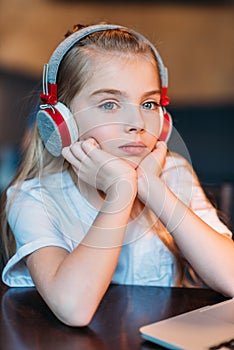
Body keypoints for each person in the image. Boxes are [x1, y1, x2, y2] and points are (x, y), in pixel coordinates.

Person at [1, 23, 234, 327]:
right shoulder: (34, 199)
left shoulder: (173, 174)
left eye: (148, 104)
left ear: (164, 120)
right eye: (109, 104)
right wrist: (121, 192)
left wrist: (153, 189)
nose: (137, 122)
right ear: (62, 120)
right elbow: (74, 308)